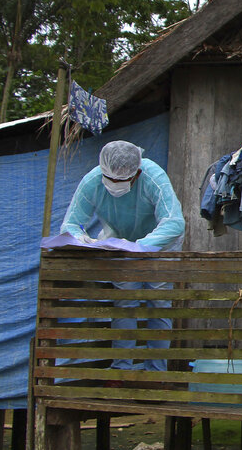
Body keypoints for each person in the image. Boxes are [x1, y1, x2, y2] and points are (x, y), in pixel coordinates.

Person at [61, 140, 185, 373]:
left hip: (160, 245)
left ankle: (156, 372)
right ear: (102, 171)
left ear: (136, 174)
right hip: (119, 244)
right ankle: (121, 369)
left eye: (122, 180)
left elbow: (174, 222)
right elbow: (71, 223)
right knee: (125, 302)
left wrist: (140, 246)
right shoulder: (92, 181)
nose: (116, 184)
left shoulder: (152, 176)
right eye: (111, 179)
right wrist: (82, 239)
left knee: (158, 304)